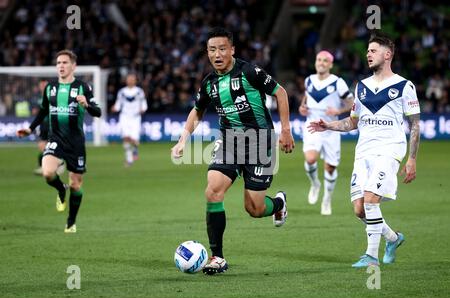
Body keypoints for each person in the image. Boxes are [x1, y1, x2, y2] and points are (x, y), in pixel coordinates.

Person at [171, 27, 295, 275]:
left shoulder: (249, 71)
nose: (217, 54)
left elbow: (280, 92)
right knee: (213, 191)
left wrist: (285, 130)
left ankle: (278, 204)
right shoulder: (209, 83)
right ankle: (217, 256)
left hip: (260, 141)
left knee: (254, 209)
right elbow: (197, 110)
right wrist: (183, 139)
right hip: (229, 141)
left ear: (232, 50)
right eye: (212, 50)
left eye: (222, 48)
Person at [308, 33, 420, 267]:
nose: (368, 53)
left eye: (373, 50)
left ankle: (371, 257)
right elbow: (352, 123)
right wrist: (328, 125)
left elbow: (415, 124)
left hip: (389, 150)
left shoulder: (404, 86)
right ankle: (393, 238)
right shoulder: (362, 87)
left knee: (370, 200)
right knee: (360, 209)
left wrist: (411, 159)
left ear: (387, 54)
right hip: (363, 152)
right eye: (367, 50)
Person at [17, 49, 101, 233]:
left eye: (64, 62)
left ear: (73, 66)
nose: (61, 66)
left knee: (76, 184)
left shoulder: (83, 87)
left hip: (76, 142)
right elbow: (43, 111)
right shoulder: (50, 88)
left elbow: (98, 112)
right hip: (56, 139)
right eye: (58, 63)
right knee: (47, 173)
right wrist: (30, 129)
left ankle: (71, 222)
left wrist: (86, 104)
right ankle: (61, 189)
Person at [299, 50, 354, 215]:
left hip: (331, 128)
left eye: (325, 61)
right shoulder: (309, 80)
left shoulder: (338, 82)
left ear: (330, 64)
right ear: (315, 62)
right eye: (319, 60)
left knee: (330, 168)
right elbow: (306, 96)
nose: (321, 63)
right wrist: (303, 106)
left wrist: (338, 109)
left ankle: (327, 198)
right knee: (310, 159)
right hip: (312, 126)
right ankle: (315, 184)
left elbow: (351, 103)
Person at [111, 73, 148, 167]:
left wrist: (143, 108)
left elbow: (143, 103)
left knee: (134, 138)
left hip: (135, 117)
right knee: (126, 137)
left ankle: (135, 148)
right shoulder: (122, 92)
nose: (130, 80)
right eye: (129, 79)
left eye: (132, 79)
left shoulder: (139, 91)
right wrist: (115, 108)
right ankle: (129, 159)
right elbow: (118, 104)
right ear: (126, 80)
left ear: (135, 81)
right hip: (124, 116)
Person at [32, 79, 65, 176]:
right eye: (41, 85)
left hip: (53, 124)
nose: (43, 87)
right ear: (39, 86)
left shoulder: (54, 96)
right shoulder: (37, 98)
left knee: (51, 144)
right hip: (42, 125)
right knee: (42, 145)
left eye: (45, 85)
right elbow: (34, 110)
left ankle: (52, 164)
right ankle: (56, 162)